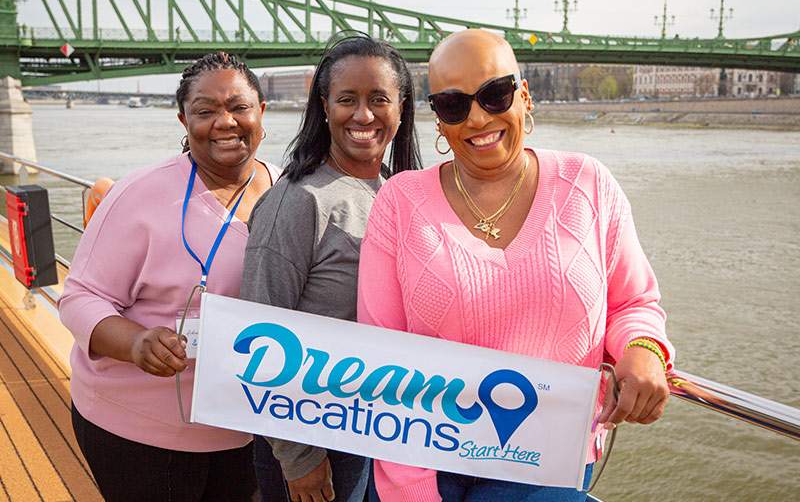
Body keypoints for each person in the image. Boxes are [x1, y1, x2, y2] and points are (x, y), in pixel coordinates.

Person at [357, 29, 674, 502]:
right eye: (453, 105)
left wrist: (644, 348)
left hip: (550, 464)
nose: (478, 117)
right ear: (438, 122)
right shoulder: (400, 203)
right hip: (432, 464)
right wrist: (413, 492)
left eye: (495, 94)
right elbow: (381, 363)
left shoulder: (588, 184)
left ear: (525, 97)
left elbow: (634, 301)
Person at [59, 52, 280, 502]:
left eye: (239, 107)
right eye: (205, 111)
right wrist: (137, 342)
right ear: (183, 119)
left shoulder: (290, 190)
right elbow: (80, 298)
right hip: (140, 431)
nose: (225, 122)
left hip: (250, 431)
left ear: (262, 112)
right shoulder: (138, 195)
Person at [240, 34, 422, 502]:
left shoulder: (396, 193)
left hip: (373, 427)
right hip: (310, 438)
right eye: (347, 100)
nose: (363, 115)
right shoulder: (298, 201)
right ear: (324, 106)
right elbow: (259, 335)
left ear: (402, 108)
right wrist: (298, 459)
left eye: (379, 99)